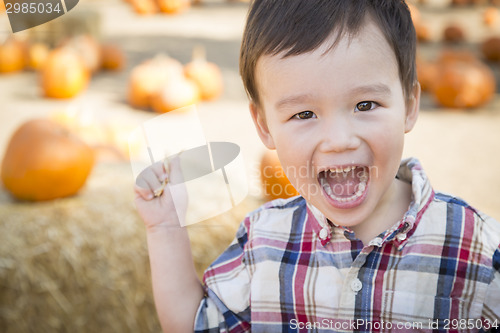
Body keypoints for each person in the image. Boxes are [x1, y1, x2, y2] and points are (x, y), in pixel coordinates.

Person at [134, 0, 500, 332]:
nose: (338, 139)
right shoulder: (262, 241)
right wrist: (165, 227)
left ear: (409, 103)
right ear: (264, 126)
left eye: (365, 105)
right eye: (304, 113)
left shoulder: (477, 248)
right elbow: (195, 326)